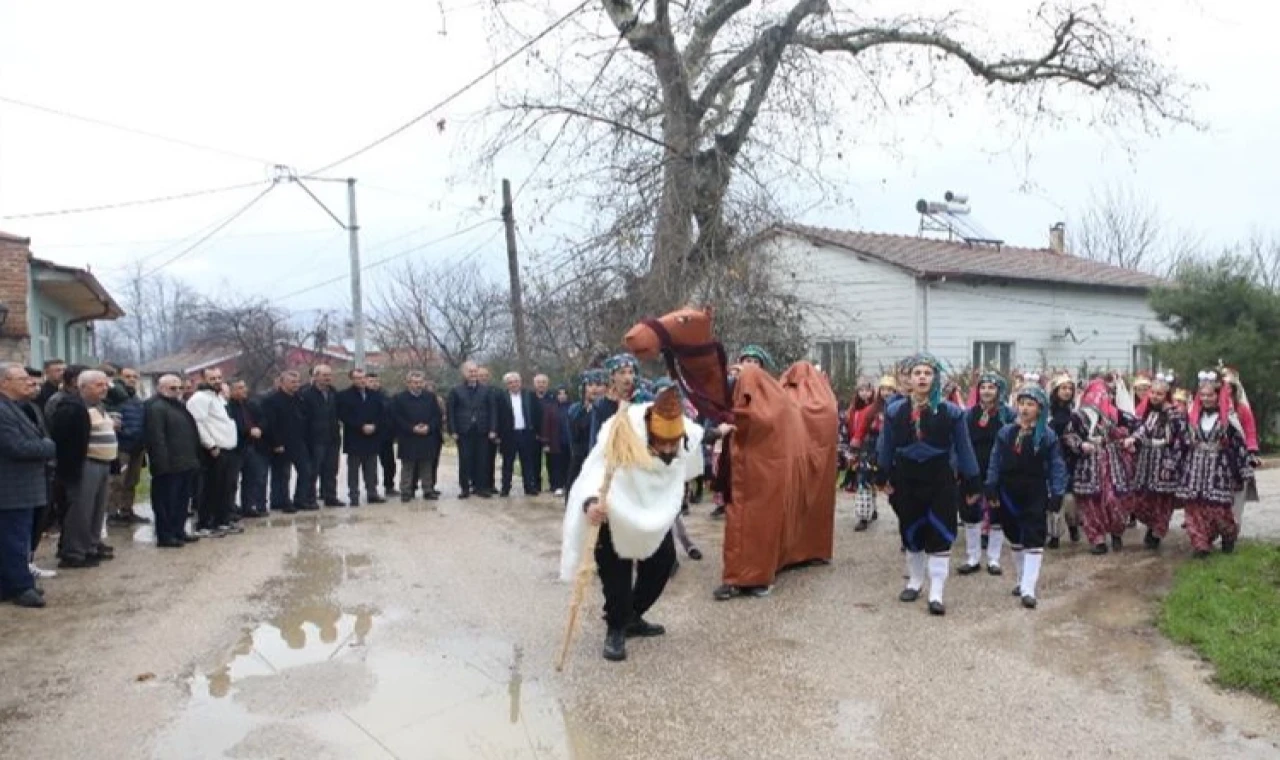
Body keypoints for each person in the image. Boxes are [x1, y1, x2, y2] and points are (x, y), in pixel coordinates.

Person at [561, 379, 731, 662]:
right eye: (661, 442)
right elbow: (595, 471)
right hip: (614, 513)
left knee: (662, 563)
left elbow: (700, 434)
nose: (666, 449)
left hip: (651, 513)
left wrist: (718, 432)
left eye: (672, 443)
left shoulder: (682, 432)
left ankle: (631, 617)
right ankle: (615, 628)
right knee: (617, 577)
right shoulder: (623, 432)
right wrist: (591, 503)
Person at [875, 354, 980, 616]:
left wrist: (972, 482)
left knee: (940, 533)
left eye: (927, 373)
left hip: (940, 480)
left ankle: (936, 592)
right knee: (911, 532)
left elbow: (965, 449)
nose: (922, 377)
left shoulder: (952, 413)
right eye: (917, 373)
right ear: (909, 379)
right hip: (907, 480)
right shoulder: (894, 411)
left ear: (935, 379)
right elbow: (886, 445)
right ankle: (915, 581)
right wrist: (882, 474)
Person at [985, 385, 1067, 609]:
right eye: (1022, 403)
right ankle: (1021, 579)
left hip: (1035, 490)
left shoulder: (1047, 436)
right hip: (1009, 489)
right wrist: (990, 484)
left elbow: (1057, 466)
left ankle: (1029, 588)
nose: (1024, 408)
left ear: (1040, 409)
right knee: (1015, 535)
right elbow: (995, 459)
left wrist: (1057, 492)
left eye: (1030, 404)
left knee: (1033, 535)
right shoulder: (1005, 432)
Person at [1175, 370, 1253, 558]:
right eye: (1203, 395)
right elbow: (1182, 440)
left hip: (1219, 469)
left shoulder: (1228, 419)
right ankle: (1201, 543)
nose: (1206, 399)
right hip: (1194, 468)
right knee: (1193, 507)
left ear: (1218, 395)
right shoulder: (1192, 416)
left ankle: (1228, 535)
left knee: (1218, 509)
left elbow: (1238, 443)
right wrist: (1174, 463)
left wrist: (1244, 468)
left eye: (1210, 395)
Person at [48, 369, 117, 568]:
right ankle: (74, 552)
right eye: (98, 385)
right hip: (85, 464)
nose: (104, 389)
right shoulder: (71, 407)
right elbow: (63, 438)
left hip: (103, 462)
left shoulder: (99, 406)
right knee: (81, 509)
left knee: (97, 510)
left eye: (105, 385)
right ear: (83, 387)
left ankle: (91, 546)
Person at [0, 362, 56, 607]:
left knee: (18, 537)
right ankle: (21, 587)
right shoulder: (2, 410)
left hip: (24, 484)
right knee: (14, 538)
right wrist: (48, 447)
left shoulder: (18, 408)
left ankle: (12, 583)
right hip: (11, 486)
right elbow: (16, 446)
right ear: (4, 383)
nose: (29, 382)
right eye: (22, 379)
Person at [1061, 378, 1135, 555]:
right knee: (1090, 502)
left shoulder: (1115, 414)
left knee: (1115, 499)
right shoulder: (1078, 416)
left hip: (1112, 463)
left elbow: (1133, 426)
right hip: (1089, 464)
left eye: (1104, 394)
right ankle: (1097, 539)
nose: (1100, 398)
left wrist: (1126, 439)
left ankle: (1117, 532)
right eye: (1096, 394)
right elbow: (1068, 436)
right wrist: (1080, 445)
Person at [959, 372, 1015, 577]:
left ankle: (994, 559)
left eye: (991, 388)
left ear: (998, 391)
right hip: (972, 469)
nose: (986, 391)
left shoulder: (1008, 415)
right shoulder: (967, 415)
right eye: (983, 387)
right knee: (970, 513)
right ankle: (973, 557)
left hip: (998, 469)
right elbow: (961, 442)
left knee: (997, 514)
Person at [1124, 372, 1181, 550]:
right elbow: (1143, 430)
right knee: (1142, 498)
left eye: (1159, 394)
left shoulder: (1173, 415)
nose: (1155, 397)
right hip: (1146, 460)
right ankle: (1151, 525)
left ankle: (1157, 531)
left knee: (1162, 500)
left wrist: (1170, 463)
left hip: (1163, 460)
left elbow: (1179, 441)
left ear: (1166, 395)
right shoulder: (1149, 412)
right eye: (1153, 393)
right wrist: (1133, 439)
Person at [145, 375, 202, 547]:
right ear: (161, 388)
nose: (177, 391)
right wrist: (161, 464)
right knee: (166, 501)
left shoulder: (179, 406)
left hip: (185, 462)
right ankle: (166, 535)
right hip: (169, 464)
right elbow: (157, 438)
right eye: (173, 388)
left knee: (182, 501)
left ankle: (179, 530)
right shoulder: (156, 407)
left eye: (180, 388)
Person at [186, 368, 243, 537]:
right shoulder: (200, 398)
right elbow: (199, 424)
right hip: (213, 451)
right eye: (212, 378)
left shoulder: (217, 397)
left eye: (219, 377)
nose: (217, 381)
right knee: (210, 489)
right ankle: (204, 523)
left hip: (227, 448)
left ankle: (222, 520)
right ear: (203, 379)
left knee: (224, 489)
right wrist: (210, 445)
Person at [263, 370, 314, 513]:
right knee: (282, 474)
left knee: (305, 471)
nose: (296, 385)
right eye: (292, 382)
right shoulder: (272, 400)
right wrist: (276, 443)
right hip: (282, 443)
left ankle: (300, 499)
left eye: (298, 382)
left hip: (299, 441)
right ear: (282, 383)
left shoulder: (300, 398)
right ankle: (281, 501)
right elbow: (271, 424)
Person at [337, 369, 387, 506]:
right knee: (353, 469)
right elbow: (343, 415)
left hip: (372, 436)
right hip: (354, 437)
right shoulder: (344, 396)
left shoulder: (375, 395)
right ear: (352, 379)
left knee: (371, 468)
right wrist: (360, 426)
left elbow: (382, 414)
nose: (362, 380)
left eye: (363, 377)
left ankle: (372, 493)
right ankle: (354, 495)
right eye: (358, 378)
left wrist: (375, 426)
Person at [106, 367, 148, 527]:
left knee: (132, 480)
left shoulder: (136, 398)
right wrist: (124, 432)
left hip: (137, 446)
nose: (131, 379)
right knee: (117, 481)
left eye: (134, 376)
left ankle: (127, 510)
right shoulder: (114, 397)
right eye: (127, 376)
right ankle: (112, 513)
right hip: (121, 445)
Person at [392, 371, 444, 502]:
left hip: (427, 436)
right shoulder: (399, 398)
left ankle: (428, 490)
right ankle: (406, 491)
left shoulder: (430, 397)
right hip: (408, 437)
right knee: (408, 466)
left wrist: (429, 427)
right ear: (408, 383)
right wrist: (412, 428)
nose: (418, 385)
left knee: (427, 464)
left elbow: (437, 416)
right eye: (415, 382)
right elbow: (397, 418)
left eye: (420, 382)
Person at [448, 362, 497, 498]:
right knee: (465, 460)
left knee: (482, 460)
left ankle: (481, 487)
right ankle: (464, 488)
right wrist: (453, 430)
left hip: (482, 430)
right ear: (464, 373)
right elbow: (450, 411)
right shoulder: (456, 390)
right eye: (470, 371)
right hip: (464, 431)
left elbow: (492, 410)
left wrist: (493, 429)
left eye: (475, 371)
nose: (473, 374)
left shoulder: (486, 390)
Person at [1046, 372, 1081, 548]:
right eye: (1063, 388)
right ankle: (1054, 535)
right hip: (1052, 457)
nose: (1067, 392)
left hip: (1070, 458)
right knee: (1053, 496)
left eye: (1070, 388)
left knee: (1069, 499)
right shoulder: (1047, 411)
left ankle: (1073, 525)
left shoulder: (1075, 412)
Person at [301, 365, 344, 507]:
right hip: (315, 439)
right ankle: (310, 499)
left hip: (332, 437)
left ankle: (330, 496)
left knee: (331, 469)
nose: (328, 378)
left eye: (329, 375)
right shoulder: (306, 394)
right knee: (313, 470)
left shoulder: (333, 392)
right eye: (324, 375)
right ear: (316, 376)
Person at [227, 379, 269, 518]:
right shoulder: (228, 407)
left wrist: (259, 428)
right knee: (232, 481)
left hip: (251, 446)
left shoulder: (250, 404)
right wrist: (247, 431)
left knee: (252, 478)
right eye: (239, 388)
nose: (243, 390)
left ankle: (248, 506)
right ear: (231, 390)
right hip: (236, 447)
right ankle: (230, 508)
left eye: (244, 387)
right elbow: (232, 424)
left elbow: (263, 418)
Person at [497, 372, 543, 497]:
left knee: (527, 462)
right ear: (507, 385)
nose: (514, 384)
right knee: (507, 463)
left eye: (516, 381)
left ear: (520, 382)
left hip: (526, 433)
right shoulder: (501, 397)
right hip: (509, 434)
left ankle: (529, 487)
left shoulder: (529, 395)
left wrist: (537, 431)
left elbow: (537, 413)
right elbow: (498, 416)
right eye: (510, 382)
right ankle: (505, 488)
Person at [565, 369, 607, 493]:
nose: (594, 389)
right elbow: (572, 435)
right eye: (590, 385)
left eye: (598, 385)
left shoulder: (608, 409)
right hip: (579, 458)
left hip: (600, 459)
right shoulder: (575, 409)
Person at [365, 373, 397, 496]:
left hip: (386, 436)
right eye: (371, 381)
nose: (374, 383)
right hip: (369, 436)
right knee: (370, 465)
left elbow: (392, 414)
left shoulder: (386, 396)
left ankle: (389, 486)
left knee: (389, 463)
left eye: (376, 381)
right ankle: (372, 489)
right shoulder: (364, 397)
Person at [542, 386, 571, 496]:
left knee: (568, 465)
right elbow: (545, 426)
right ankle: (557, 486)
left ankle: (568, 485)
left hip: (569, 442)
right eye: (560, 394)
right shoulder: (550, 408)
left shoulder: (573, 407)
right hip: (555, 442)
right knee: (556, 465)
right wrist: (545, 442)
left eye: (564, 393)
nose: (562, 396)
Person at [531, 373, 553, 493]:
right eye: (539, 382)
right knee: (535, 461)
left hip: (550, 435)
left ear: (547, 384)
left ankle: (553, 484)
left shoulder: (552, 397)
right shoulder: (529, 397)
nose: (541, 385)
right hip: (534, 434)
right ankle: (536, 485)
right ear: (534, 384)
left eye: (544, 382)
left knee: (552, 461)